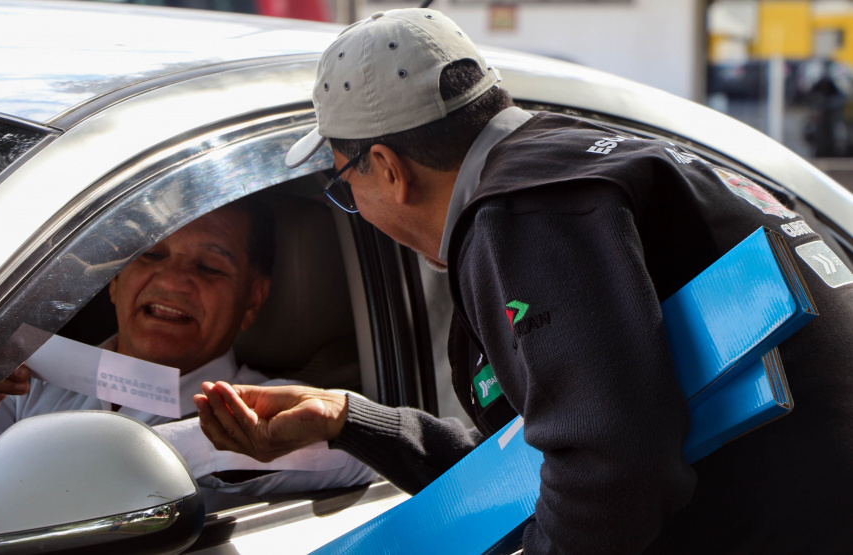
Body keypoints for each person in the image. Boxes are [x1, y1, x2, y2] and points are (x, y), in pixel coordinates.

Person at [194, 8, 853, 554]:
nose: (357, 208)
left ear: (388, 169)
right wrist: (348, 418)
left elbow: (607, 470)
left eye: (345, 184)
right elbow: (534, 459)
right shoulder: (571, 164)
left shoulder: (523, 211)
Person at [0, 198, 376, 510]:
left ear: (253, 300)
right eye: (151, 254)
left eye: (209, 267)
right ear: (115, 281)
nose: (173, 280)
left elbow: (364, 456)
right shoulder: (24, 379)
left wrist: (200, 448)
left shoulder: (270, 405)